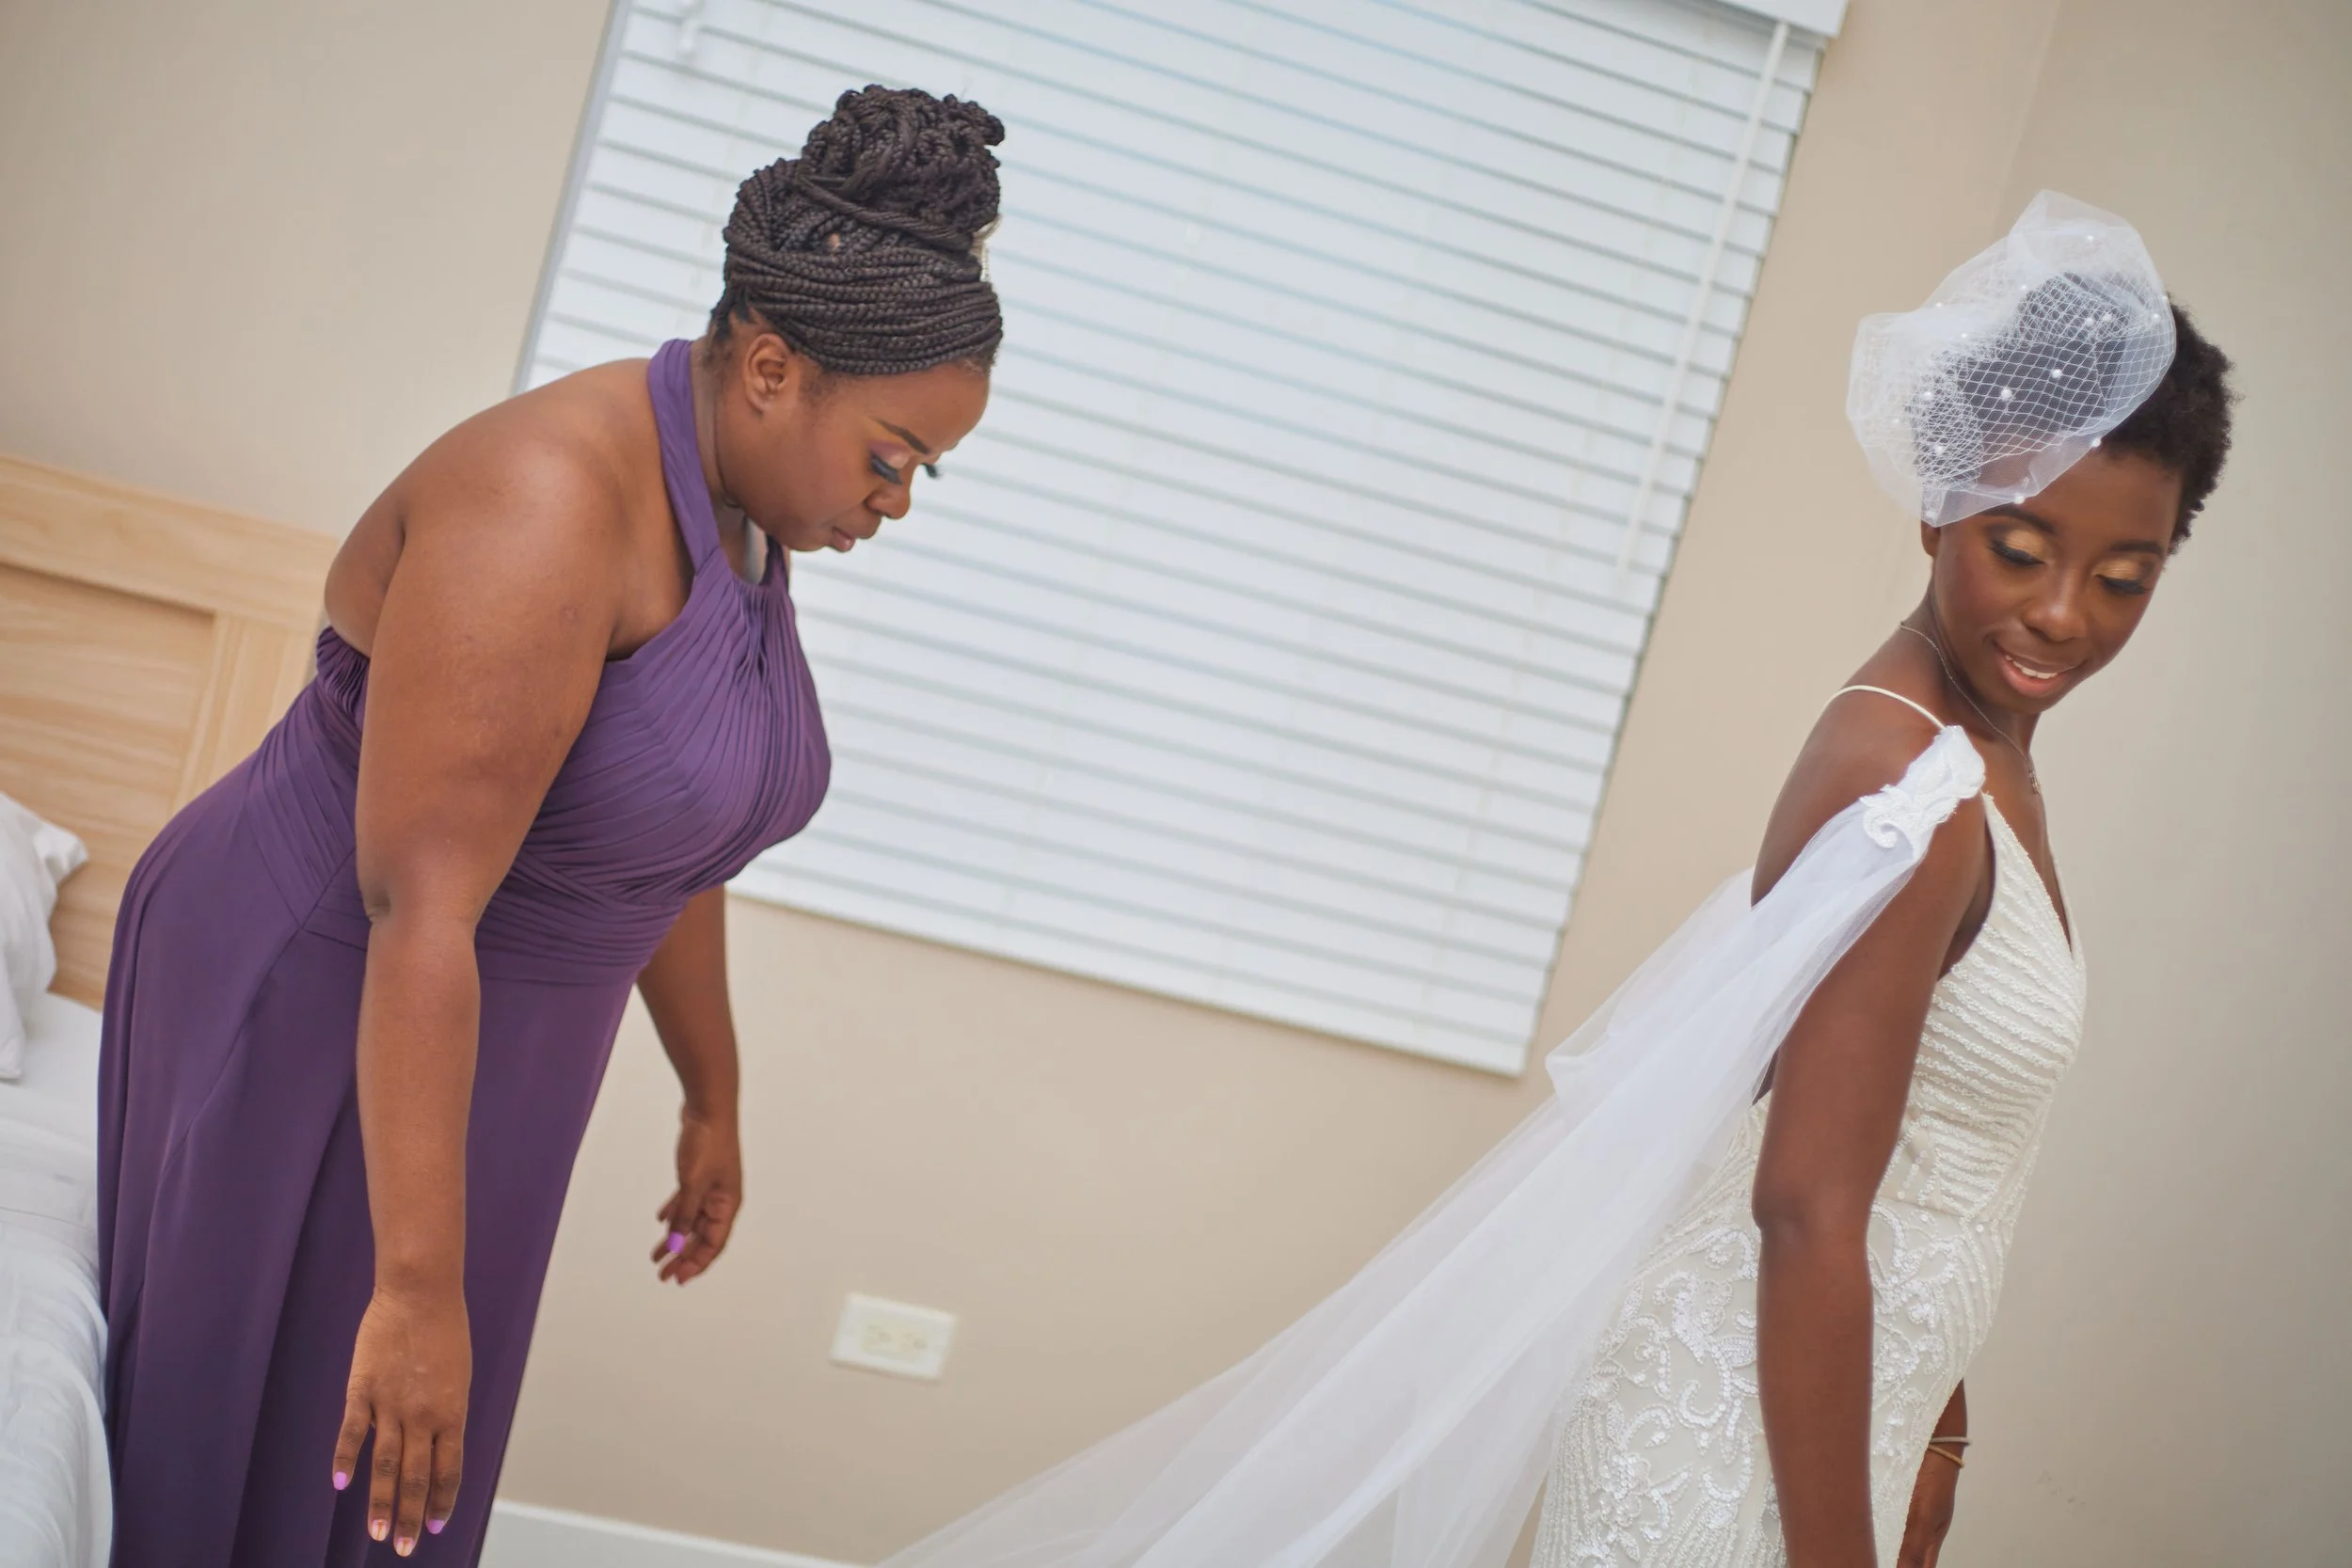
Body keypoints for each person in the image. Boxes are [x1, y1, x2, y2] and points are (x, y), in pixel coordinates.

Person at [867, 195, 2235, 1568]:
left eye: (2124, 575)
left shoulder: (1986, 755)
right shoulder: (1915, 787)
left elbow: (1932, 1168)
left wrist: (1936, 1425)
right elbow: (1809, 1199)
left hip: (1839, 1405)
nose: (2063, 612)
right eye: (2021, 548)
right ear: (1941, 500)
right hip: (1734, 1427)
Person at [95, 84, 1004, 1564]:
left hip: (492, 1025)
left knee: (388, 1486)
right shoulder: (546, 505)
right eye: (893, 455)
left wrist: (712, 1088)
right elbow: (422, 906)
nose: (898, 502)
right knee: (299, 1436)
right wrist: (414, 1283)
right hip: (332, 977)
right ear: (771, 366)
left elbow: (657, 815)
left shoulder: (741, 504)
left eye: (924, 473)